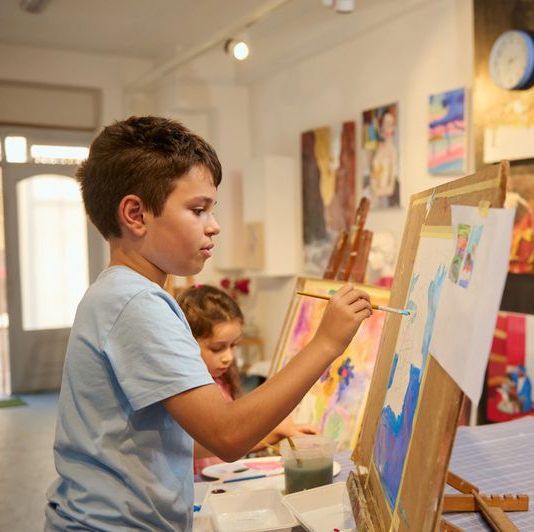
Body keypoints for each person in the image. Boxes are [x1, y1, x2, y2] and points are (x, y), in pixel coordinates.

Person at [45, 116, 372, 531]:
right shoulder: (137, 303)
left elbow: (172, 434)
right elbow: (226, 435)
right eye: (198, 209)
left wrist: (265, 433)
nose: (214, 225)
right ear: (135, 214)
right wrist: (326, 343)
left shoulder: (120, 293)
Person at [176, 284, 317, 476]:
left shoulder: (222, 381)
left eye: (234, 345)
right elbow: (221, 443)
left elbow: (235, 441)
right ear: (186, 342)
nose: (228, 357)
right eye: (218, 348)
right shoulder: (188, 394)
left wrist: (279, 430)